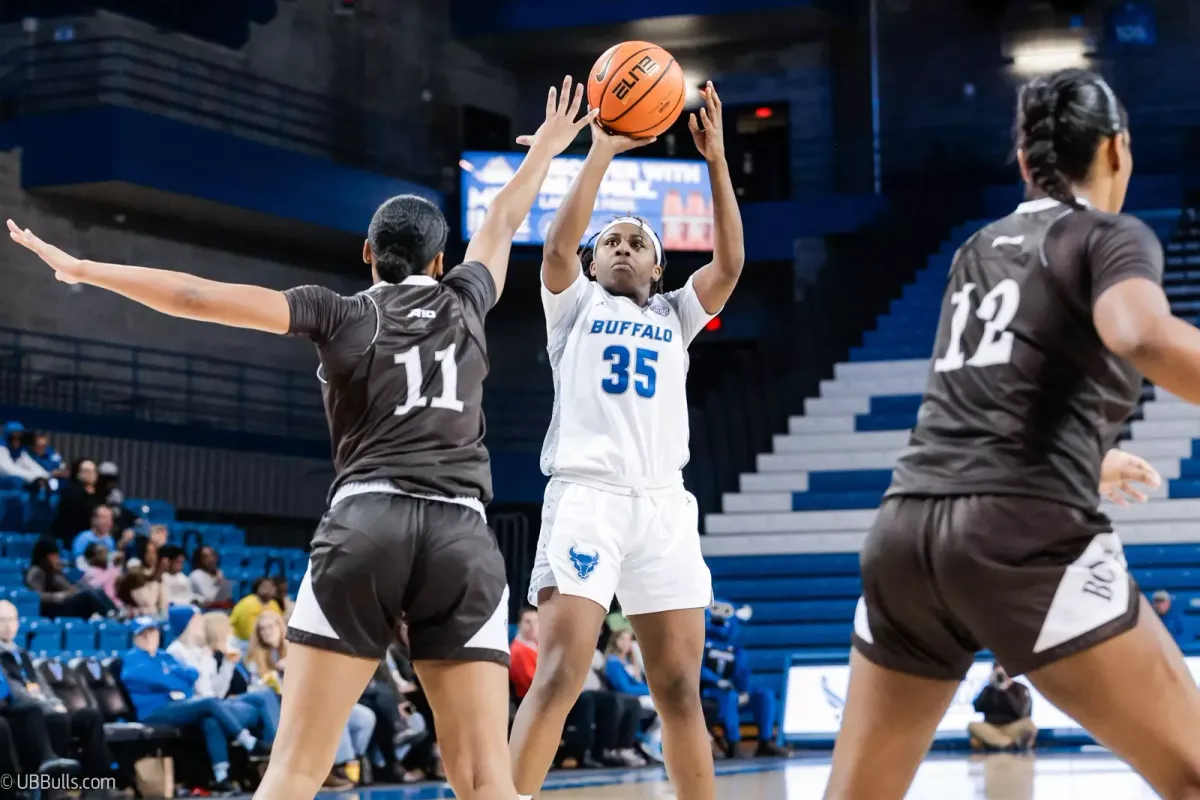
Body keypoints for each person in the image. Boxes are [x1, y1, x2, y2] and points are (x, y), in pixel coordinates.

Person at [8, 75, 596, 800]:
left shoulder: (339, 312)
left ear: (366, 254)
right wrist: (546, 150)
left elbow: (197, 296)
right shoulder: (469, 298)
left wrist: (82, 267)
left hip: (369, 521)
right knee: (483, 779)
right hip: (463, 536)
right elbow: (503, 220)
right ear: (442, 262)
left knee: (295, 770)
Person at [822, 68, 1200, 800]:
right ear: (1118, 150)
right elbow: (1138, 332)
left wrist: (1083, 457)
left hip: (903, 536)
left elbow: (973, 403)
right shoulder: (1108, 234)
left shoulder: (976, 248)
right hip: (1021, 537)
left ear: (1028, 164)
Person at [509, 82, 744, 800]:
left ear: (657, 268)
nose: (622, 246)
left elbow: (730, 265)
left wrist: (718, 162)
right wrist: (600, 153)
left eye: (636, 242)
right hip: (587, 498)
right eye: (609, 240)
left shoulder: (677, 315)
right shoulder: (573, 307)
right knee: (558, 675)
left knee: (678, 691)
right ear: (590, 262)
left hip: (663, 507)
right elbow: (555, 242)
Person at [120, 616, 270, 793]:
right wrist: (170, 677)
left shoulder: (163, 656)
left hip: (176, 705)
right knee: (208, 702)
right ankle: (248, 741)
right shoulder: (132, 658)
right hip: (153, 711)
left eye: (151, 632)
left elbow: (191, 674)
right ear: (135, 638)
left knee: (210, 720)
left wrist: (169, 676)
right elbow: (143, 678)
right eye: (142, 634)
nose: (148, 637)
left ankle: (221, 776)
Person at [0, 600, 112, 782]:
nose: (8, 625)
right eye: (2, 620)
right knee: (48, 715)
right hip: (22, 713)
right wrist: (48, 706)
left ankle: (99, 782)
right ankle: (54, 779)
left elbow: (42, 685)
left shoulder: (22, 654)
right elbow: (15, 693)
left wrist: (56, 702)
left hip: (44, 707)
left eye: (11, 619)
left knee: (90, 717)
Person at [25, 538, 115, 619]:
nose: (57, 559)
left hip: (65, 602)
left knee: (95, 589)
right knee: (87, 594)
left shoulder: (54, 570)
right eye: (54, 556)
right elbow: (36, 596)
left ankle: (115, 611)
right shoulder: (36, 571)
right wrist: (61, 595)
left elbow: (67, 586)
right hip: (54, 608)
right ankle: (109, 614)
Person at [967, 663, 1037, 752]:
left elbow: (1021, 711)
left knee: (1029, 726)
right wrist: (990, 688)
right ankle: (1007, 743)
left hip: (1013, 727)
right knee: (972, 725)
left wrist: (1005, 690)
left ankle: (997, 743)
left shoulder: (1020, 688)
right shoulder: (988, 689)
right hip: (992, 728)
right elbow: (977, 707)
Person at [51, 459, 102, 545]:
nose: (91, 474)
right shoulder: (70, 493)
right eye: (87, 471)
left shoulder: (99, 495)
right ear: (78, 474)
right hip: (72, 536)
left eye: (94, 471)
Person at [230, 577, 283, 643]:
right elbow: (232, 624)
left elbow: (280, 626)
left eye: (271, 586)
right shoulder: (246, 603)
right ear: (257, 588)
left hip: (267, 642)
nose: (269, 589)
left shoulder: (274, 605)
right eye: (265, 586)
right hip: (243, 642)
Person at [71, 505, 117, 569]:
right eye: (104, 518)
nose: (108, 522)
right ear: (94, 520)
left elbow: (111, 563)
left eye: (110, 518)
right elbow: (79, 564)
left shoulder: (110, 540)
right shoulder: (83, 538)